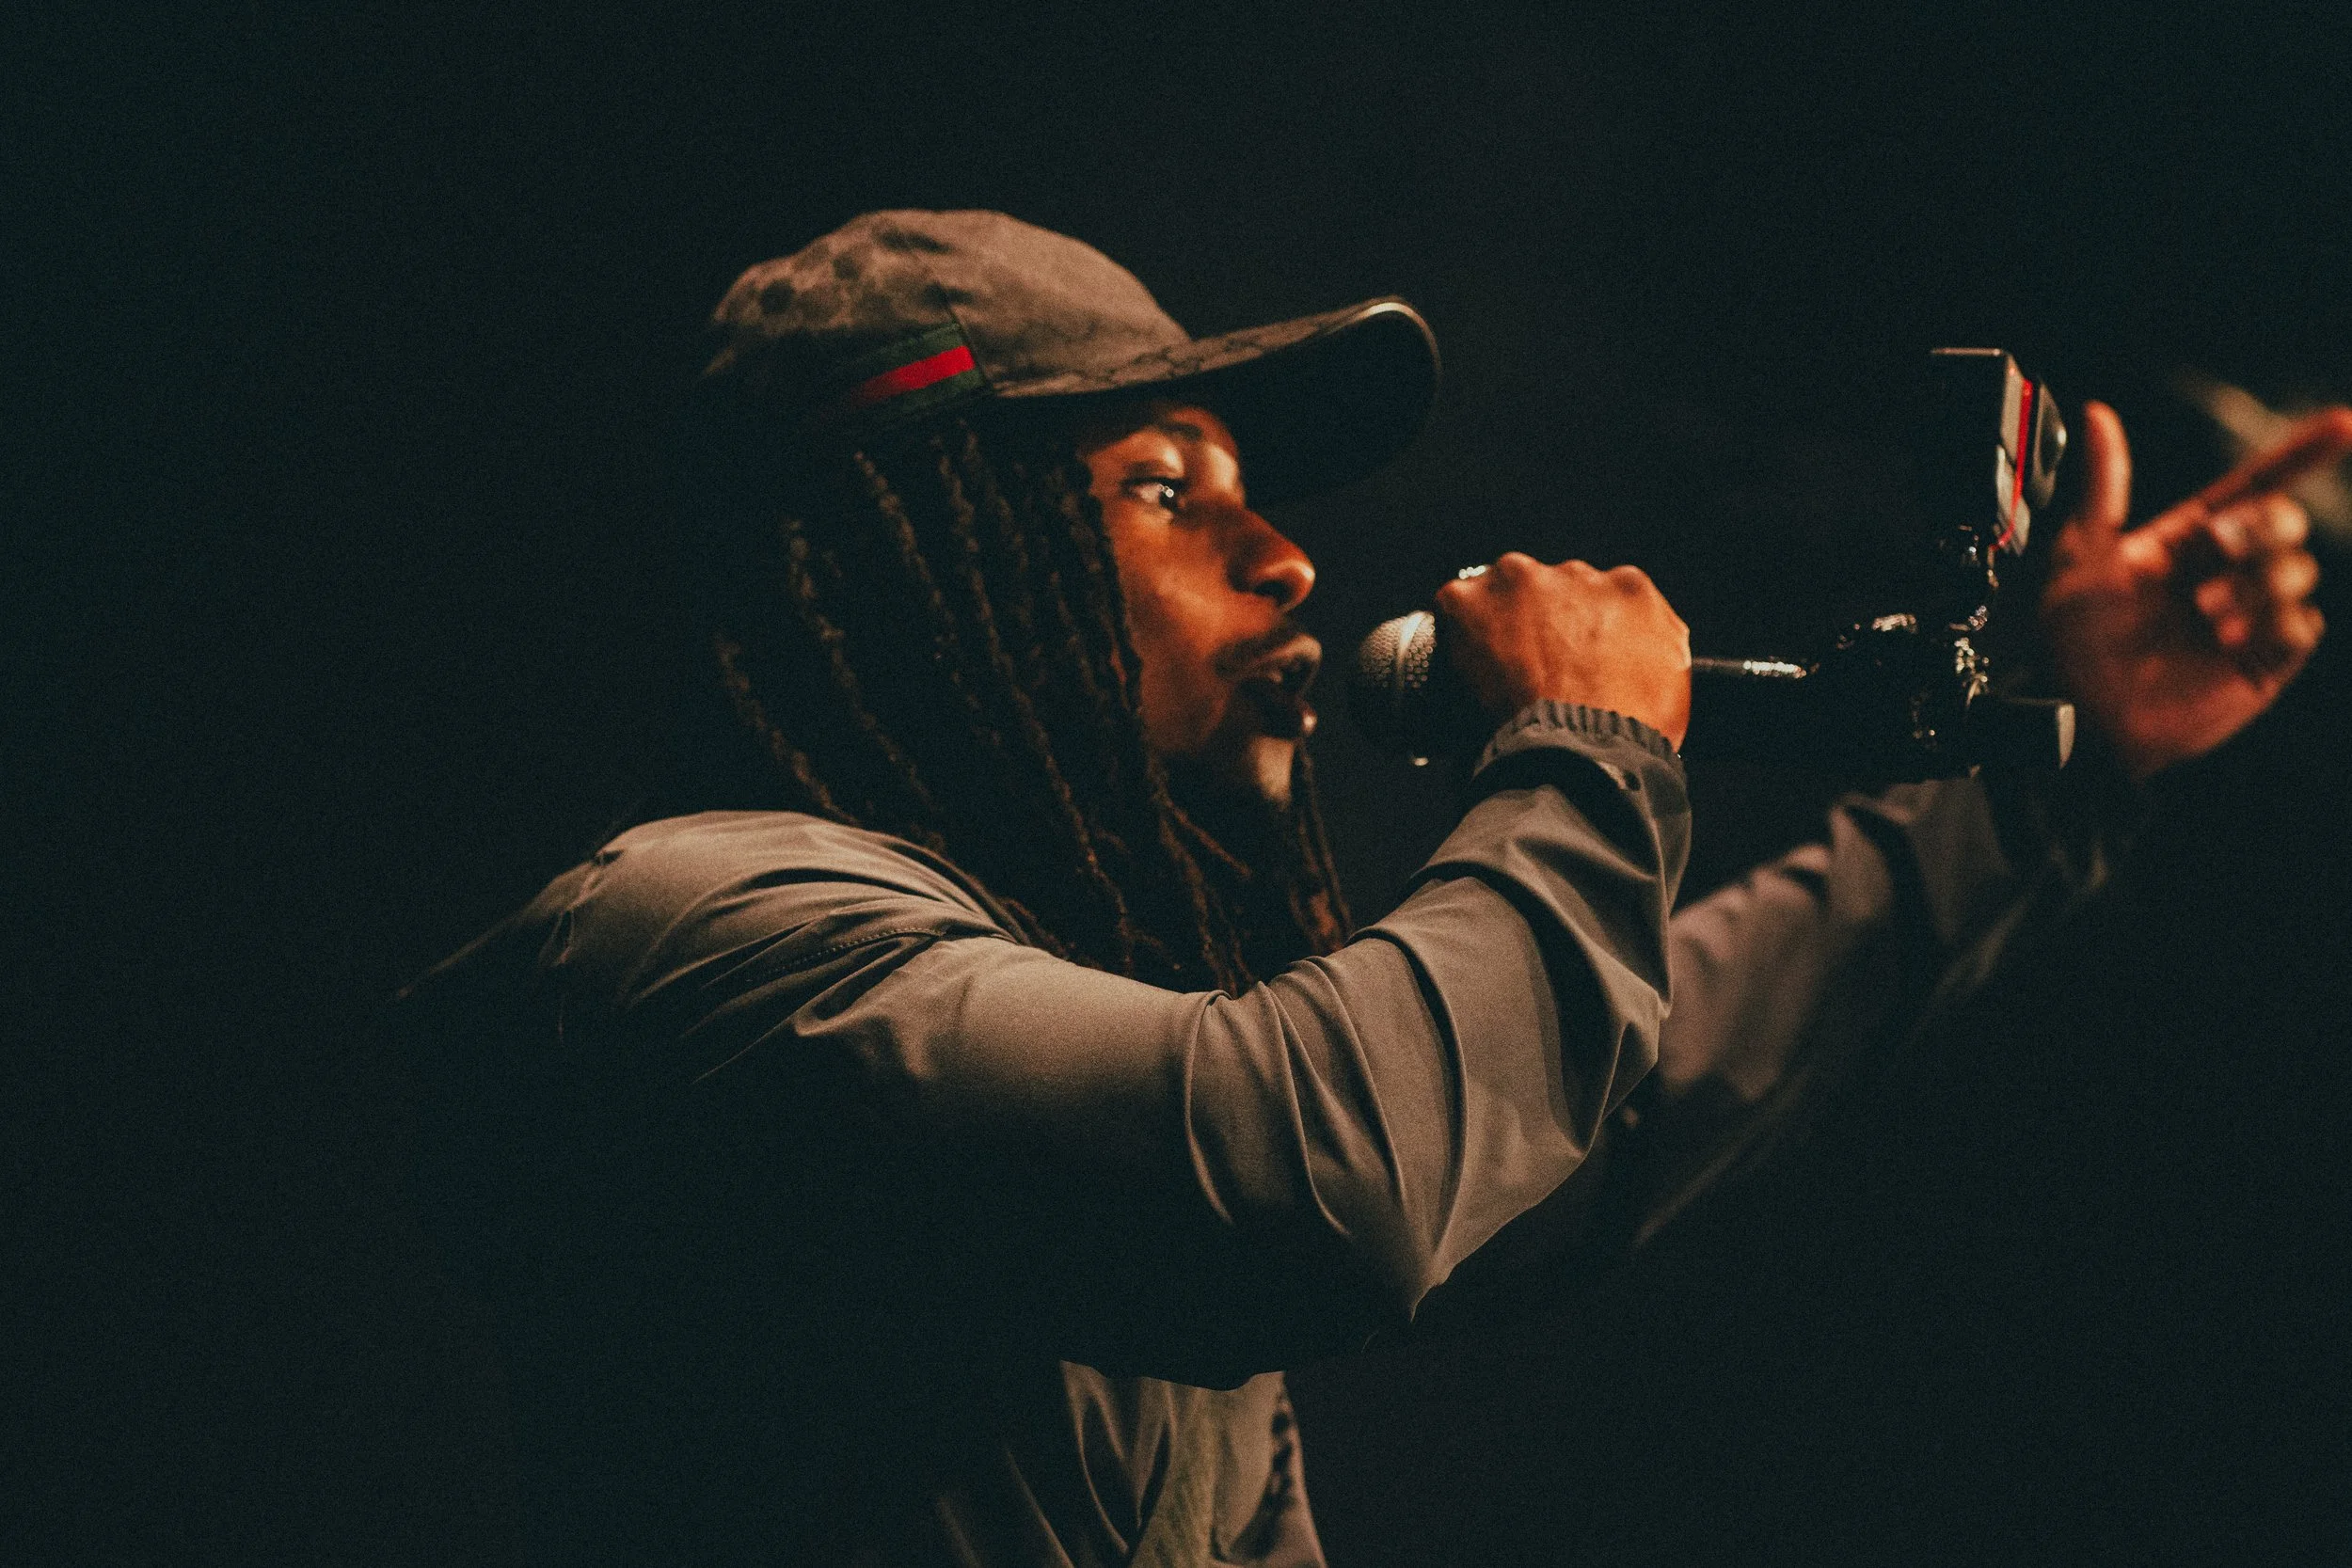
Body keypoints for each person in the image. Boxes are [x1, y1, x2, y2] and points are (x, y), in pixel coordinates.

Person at [395, 210, 2333, 1567]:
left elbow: (1571, 1113)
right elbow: (1323, 1166)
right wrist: (1580, 749)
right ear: (927, 549)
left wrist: (2041, 773)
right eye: (1164, 487)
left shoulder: (1083, 1025)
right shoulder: (706, 937)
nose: (1289, 560)